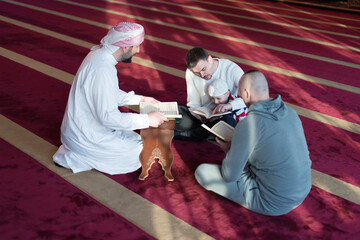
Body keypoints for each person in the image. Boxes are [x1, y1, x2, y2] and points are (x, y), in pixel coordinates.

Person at [53, 22, 168, 175]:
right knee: (140, 152)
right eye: (136, 46)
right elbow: (108, 118)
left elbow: (107, 93)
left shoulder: (99, 55)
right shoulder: (103, 69)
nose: (138, 50)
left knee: (137, 138)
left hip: (82, 129)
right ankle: (80, 156)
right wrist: (147, 120)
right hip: (84, 136)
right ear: (125, 47)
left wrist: (141, 99)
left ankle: (82, 152)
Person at [195, 70, 312, 216]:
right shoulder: (291, 112)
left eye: (240, 95)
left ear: (246, 93)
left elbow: (229, 176)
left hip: (273, 201)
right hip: (303, 191)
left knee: (202, 172)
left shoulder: (249, 124)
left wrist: (228, 149)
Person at [174, 47, 244, 141]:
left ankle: (182, 135)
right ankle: (205, 131)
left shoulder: (231, 68)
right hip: (203, 118)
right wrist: (201, 117)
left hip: (223, 118)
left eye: (204, 69)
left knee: (228, 123)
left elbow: (251, 97)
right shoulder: (190, 73)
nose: (202, 75)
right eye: (197, 73)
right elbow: (193, 104)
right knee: (175, 112)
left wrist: (230, 105)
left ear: (210, 59)